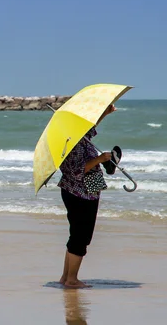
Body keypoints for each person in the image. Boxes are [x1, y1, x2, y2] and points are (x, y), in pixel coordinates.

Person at [58, 104, 116, 288]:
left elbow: (90, 129)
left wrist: (104, 113)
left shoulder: (79, 136)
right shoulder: (71, 144)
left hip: (86, 190)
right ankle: (72, 280)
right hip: (79, 192)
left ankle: (66, 277)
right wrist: (99, 159)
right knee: (80, 237)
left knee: (76, 235)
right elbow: (77, 170)